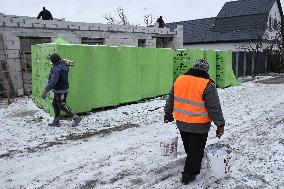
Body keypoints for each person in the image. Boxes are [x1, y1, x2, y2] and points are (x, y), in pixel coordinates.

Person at [164, 59, 225, 185]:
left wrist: (168, 113)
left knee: (190, 147)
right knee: (195, 150)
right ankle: (188, 174)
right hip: (199, 125)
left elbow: (171, 98)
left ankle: (193, 160)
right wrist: (220, 125)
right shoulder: (207, 85)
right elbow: (214, 107)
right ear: (206, 70)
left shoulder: (180, 79)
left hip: (181, 121)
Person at [41, 53, 82, 127]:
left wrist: (46, 91)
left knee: (62, 105)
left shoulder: (57, 69)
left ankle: (76, 117)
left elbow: (53, 82)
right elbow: (65, 62)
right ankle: (56, 121)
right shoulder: (63, 64)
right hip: (61, 89)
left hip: (60, 91)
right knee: (55, 104)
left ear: (54, 61)